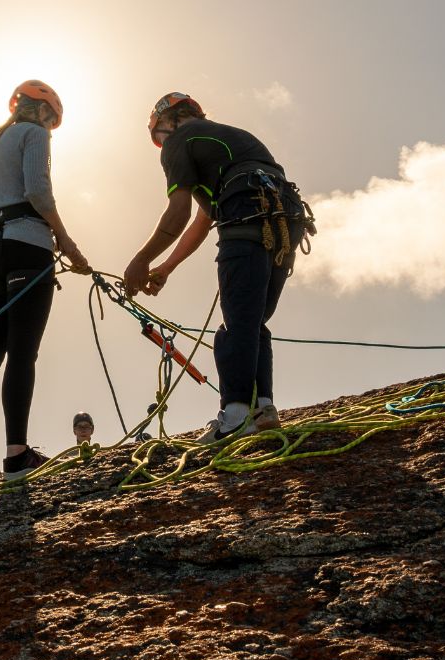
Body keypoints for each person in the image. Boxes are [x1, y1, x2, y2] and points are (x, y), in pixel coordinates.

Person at [121, 92, 311, 442]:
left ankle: (236, 415)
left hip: (245, 214)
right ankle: (263, 407)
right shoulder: (236, 137)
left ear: (170, 121)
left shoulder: (179, 141)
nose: (162, 142)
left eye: (159, 134)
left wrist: (141, 260)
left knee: (235, 326)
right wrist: (167, 266)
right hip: (285, 222)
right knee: (252, 322)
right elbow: (203, 218)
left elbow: (179, 212)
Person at [0, 80, 92, 487]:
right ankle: (17, 454)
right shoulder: (34, 134)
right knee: (22, 353)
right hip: (27, 247)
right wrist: (65, 240)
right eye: (52, 118)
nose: (50, 126)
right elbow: (37, 191)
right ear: (44, 112)